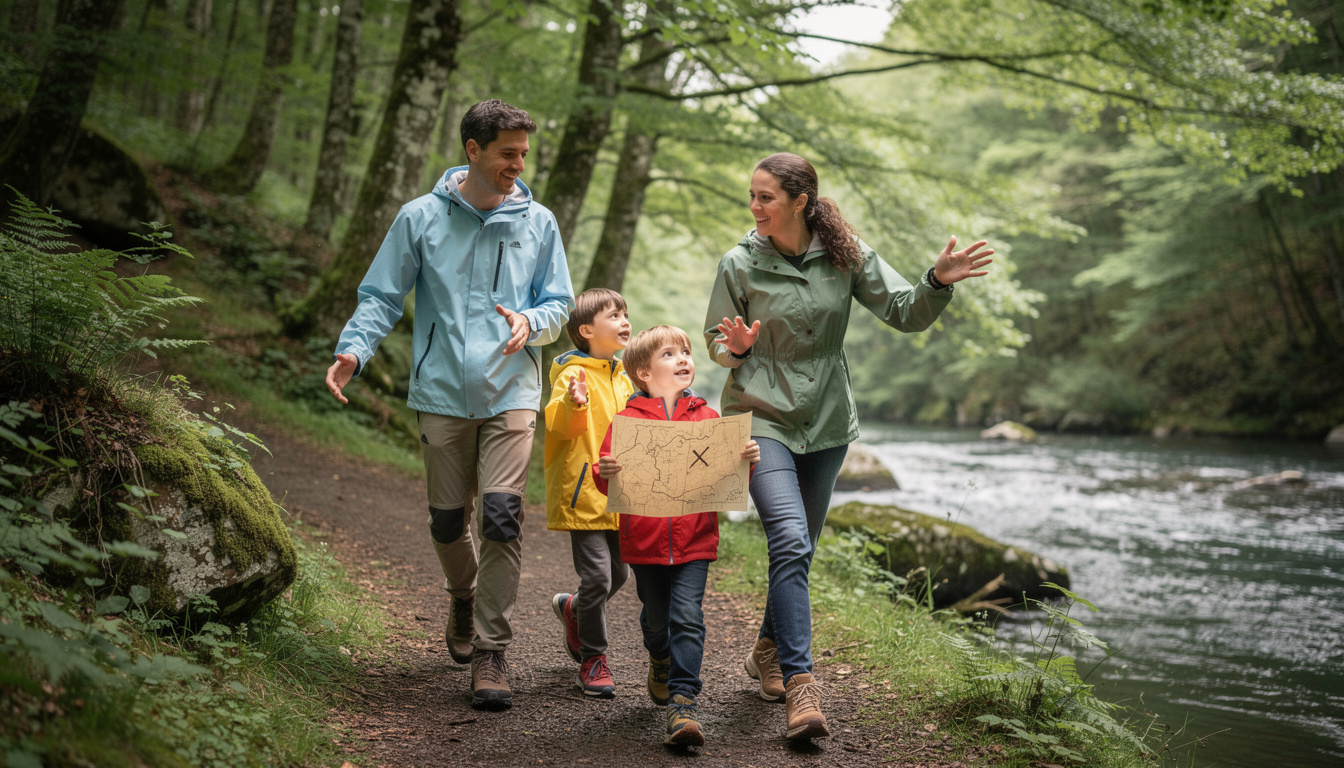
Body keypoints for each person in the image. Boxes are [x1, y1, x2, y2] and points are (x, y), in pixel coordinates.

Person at [703, 152, 992, 740]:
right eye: (751, 196)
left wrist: (937, 281)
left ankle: (766, 651)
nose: (754, 207)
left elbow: (906, 312)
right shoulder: (739, 262)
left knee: (799, 546)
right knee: (787, 535)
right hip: (760, 416)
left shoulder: (846, 254)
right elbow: (716, 343)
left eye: (766, 197)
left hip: (829, 421)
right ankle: (802, 683)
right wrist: (733, 349)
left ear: (800, 201)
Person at [324, 99, 573, 711]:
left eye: (523, 152)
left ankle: (492, 651)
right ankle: (462, 595)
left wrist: (531, 322)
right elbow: (382, 294)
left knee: (501, 515)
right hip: (439, 390)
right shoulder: (420, 218)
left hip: (512, 389)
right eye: (507, 152)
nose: (519, 163)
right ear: (473, 150)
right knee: (446, 522)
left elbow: (559, 304)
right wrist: (353, 351)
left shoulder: (538, 222)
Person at [593, 326, 761, 747]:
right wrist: (605, 472)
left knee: (687, 616)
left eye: (685, 352)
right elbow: (603, 475)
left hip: (695, 540)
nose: (683, 358)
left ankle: (684, 701)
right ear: (644, 373)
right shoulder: (626, 421)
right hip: (644, 542)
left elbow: (727, 476)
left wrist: (747, 460)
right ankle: (660, 657)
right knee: (655, 620)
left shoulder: (706, 417)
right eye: (670, 354)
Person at [543, 287, 634, 698]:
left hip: (620, 493)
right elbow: (559, 425)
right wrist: (575, 404)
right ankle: (593, 658)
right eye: (613, 315)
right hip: (584, 492)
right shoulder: (571, 374)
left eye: (625, 313)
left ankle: (573, 607)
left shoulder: (624, 376)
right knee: (597, 575)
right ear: (586, 330)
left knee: (619, 574)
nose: (624, 321)